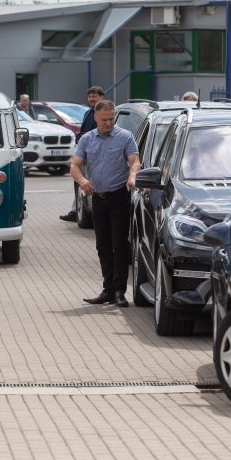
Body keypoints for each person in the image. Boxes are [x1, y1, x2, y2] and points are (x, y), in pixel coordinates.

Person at [71, 100, 141, 308]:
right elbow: (75, 165)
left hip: (119, 196)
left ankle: (120, 291)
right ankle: (107, 289)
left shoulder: (125, 137)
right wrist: (83, 181)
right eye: (104, 120)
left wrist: (132, 176)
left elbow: (135, 161)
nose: (108, 123)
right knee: (102, 246)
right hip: (98, 199)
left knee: (119, 244)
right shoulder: (87, 139)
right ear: (96, 118)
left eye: (111, 119)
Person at [61, 86, 104, 222]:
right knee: (80, 181)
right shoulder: (88, 112)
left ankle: (79, 211)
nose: (92, 99)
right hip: (85, 153)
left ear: (101, 97)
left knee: (89, 184)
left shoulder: (104, 113)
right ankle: (76, 210)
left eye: (94, 96)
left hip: (97, 155)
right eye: (90, 96)